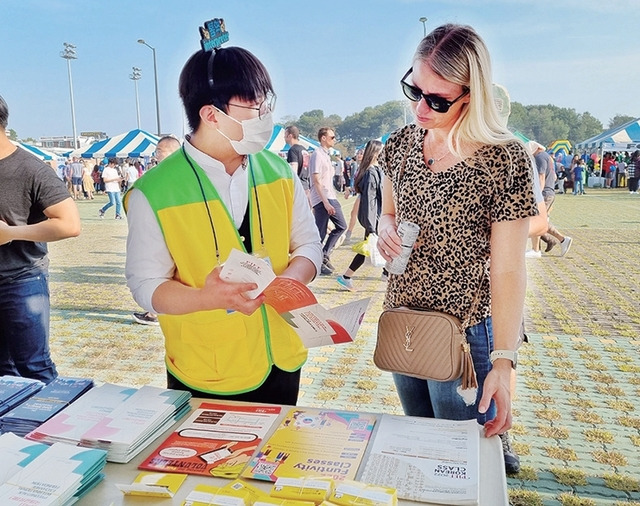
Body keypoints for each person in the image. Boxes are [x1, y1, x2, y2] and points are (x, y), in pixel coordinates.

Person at [374, 24, 537, 474]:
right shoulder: (401, 144)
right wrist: (384, 227)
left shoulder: (503, 159)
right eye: (414, 90)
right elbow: (387, 212)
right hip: (405, 321)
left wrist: (504, 362)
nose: (420, 108)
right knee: (424, 450)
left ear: (471, 94)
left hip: (466, 334)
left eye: (437, 100)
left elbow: (508, 271)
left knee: (464, 461)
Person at [124, 37, 322, 405]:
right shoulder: (154, 191)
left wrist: (289, 282)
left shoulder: (278, 170)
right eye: (252, 104)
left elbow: (308, 245)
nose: (265, 113)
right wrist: (205, 298)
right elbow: (146, 285)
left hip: (282, 360)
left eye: (266, 101)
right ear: (211, 115)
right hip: (206, 369)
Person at [0, 94, 81, 383]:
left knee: (33, 366)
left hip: (21, 280)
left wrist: (10, 233)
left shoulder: (30, 168)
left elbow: (70, 224)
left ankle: (53, 425)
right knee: (2, 372)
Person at [131, 135, 182, 327]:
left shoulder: (171, 173)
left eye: (160, 150)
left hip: (171, 231)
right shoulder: (174, 171)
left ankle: (156, 313)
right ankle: (155, 312)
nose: (156, 154)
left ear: (171, 151)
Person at [336, 140, 386, 291]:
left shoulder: (374, 170)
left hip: (376, 217)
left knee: (368, 250)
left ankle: (347, 277)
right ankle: (387, 274)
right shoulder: (370, 173)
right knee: (374, 248)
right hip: (374, 218)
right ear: (376, 153)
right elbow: (369, 201)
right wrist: (371, 226)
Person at [309, 127, 347, 275]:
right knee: (320, 232)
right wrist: (325, 202)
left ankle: (324, 254)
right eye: (332, 137)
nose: (334, 139)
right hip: (322, 198)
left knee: (340, 226)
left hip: (329, 196)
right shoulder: (317, 154)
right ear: (323, 138)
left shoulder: (326, 155)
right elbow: (316, 180)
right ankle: (317, 260)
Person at [525, 142, 572, 257]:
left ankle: (536, 250)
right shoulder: (548, 157)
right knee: (541, 220)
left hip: (544, 193)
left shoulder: (540, 157)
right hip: (549, 192)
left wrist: (537, 195)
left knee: (536, 219)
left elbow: (541, 176)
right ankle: (557, 240)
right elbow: (554, 176)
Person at [284, 125, 311, 203]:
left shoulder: (293, 150)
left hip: (298, 187)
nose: (284, 138)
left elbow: (293, 171)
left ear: (290, 136)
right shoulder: (304, 150)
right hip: (306, 185)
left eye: (285, 135)